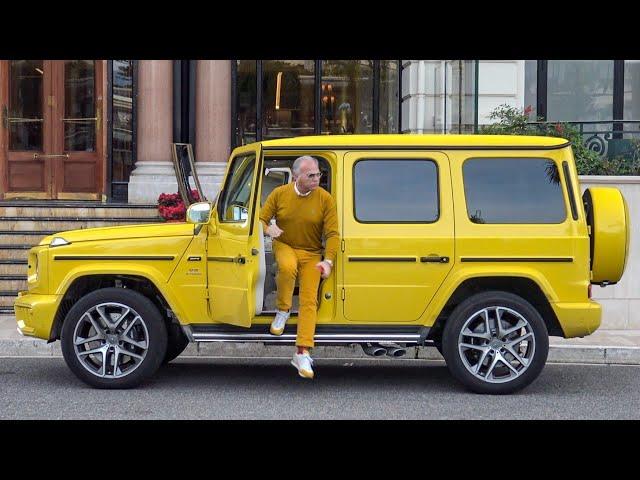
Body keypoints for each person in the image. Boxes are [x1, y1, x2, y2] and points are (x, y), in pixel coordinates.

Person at [259, 155, 339, 379]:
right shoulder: (279, 194)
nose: (317, 178)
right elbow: (262, 218)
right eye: (311, 175)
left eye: (318, 174)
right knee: (287, 266)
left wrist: (328, 261)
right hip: (285, 244)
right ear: (296, 176)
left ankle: (302, 352)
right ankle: (283, 310)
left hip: (313, 253)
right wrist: (268, 229)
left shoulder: (325, 198)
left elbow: (333, 234)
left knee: (309, 300)